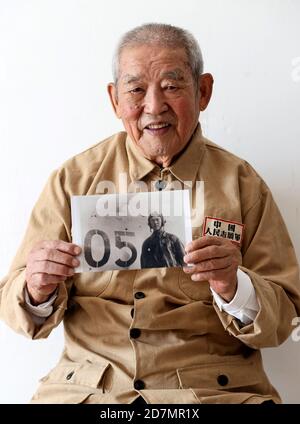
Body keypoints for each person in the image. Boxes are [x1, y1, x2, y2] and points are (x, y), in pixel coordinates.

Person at [0, 23, 300, 405]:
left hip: (212, 392)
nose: (154, 106)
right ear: (114, 99)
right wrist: (36, 288)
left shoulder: (242, 184)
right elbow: (13, 301)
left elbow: (287, 319)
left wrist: (234, 286)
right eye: (136, 89)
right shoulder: (73, 180)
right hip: (89, 390)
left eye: (172, 86)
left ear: (203, 91)